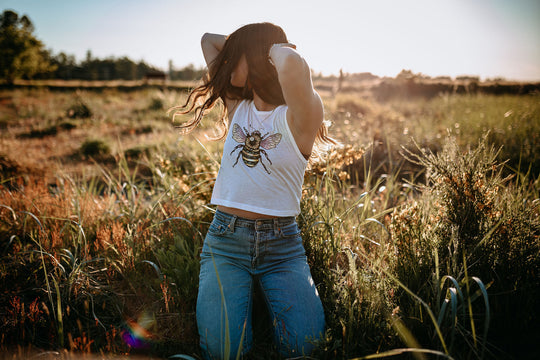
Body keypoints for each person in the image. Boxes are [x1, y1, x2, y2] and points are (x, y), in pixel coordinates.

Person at [170, 22, 335, 359]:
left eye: (237, 56)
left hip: (283, 250)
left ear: (263, 59)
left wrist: (272, 45)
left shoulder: (300, 117)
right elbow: (208, 41)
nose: (226, 62)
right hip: (225, 244)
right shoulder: (237, 107)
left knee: (306, 351)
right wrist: (249, 45)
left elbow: (293, 66)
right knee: (224, 354)